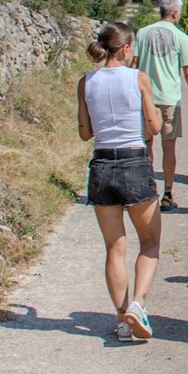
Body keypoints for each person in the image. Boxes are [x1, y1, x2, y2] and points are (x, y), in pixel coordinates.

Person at [77, 22, 163, 342]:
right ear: (126, 49)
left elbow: (85, 132)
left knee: (115, 248)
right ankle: (138, 305)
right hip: (133, 161)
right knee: (150, 242)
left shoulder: (85, 83)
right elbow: (153, 127)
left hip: (101, 164)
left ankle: (121, 318)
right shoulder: (138, 78)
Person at [132, 0, 188, 212]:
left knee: (146, 144)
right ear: (174, 13)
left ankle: (148, 188)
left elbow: (134, 64)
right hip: (169, 98)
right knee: (169, 145)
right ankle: (168, 193)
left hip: (145, 97)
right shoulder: (180, 37)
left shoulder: (142, 33)